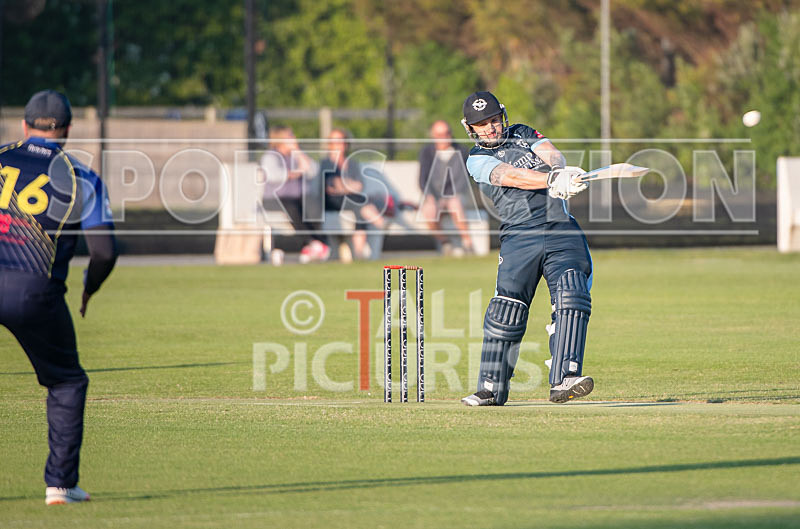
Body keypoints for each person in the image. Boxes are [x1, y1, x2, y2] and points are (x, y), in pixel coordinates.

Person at [0, 90, 117, 503]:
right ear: (67, 130)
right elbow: (104, 252)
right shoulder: (81, 177)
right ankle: (60, 485)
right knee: (66, 382)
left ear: (23, 125)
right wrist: (89, 288)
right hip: (34, 290)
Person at [458, 91, 593, 406]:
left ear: (502, 116)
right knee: (507, 310)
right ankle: (491, 388)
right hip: (520, 236)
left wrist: (561, 171)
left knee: (572, 295)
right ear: (470, 128)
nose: (490, 128)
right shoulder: (476, 159)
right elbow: (511, 176)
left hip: (561, 230)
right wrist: (550, 181)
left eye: (493, 120)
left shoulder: (522, 132)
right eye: (482, 125)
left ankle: (565, 379)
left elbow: (552, 154)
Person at [260, 126, 329, 265]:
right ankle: (312, 242)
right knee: (292, 207)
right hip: (274, 200)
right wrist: (296, 172)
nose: (294, 138)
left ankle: (315, 245)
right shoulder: (270, 156)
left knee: (312, 206)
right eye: (290, 136)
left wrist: (298, 152)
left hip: (297, 199)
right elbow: (274, 175)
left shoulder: (296, 156)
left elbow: (312, 171)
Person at [320, 128, 387, 261]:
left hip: (353, 200)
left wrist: (343, 186)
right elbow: (332, 187)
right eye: (335, 141)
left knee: (359, 208)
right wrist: (347, 185)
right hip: (332, 202)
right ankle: (379, 222)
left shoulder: (352, 163)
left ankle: (358, 253)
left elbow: (359, 186)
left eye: (341, 141)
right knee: (360, 203)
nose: (339, 144)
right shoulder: (326, 163)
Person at [417, 120, 473, 255]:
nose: (444, 137)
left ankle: (468, 244)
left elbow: (464, 179)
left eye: (447, 133)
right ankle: (445, 242)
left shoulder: (462, 150)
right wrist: (430, 197)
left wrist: (450, 196)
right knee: (429, 211)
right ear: (433, 136)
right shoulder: (427, 152)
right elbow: (423, 179)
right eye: (439, 135)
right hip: (435, 196)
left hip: (457, 194)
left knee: (455, 204)